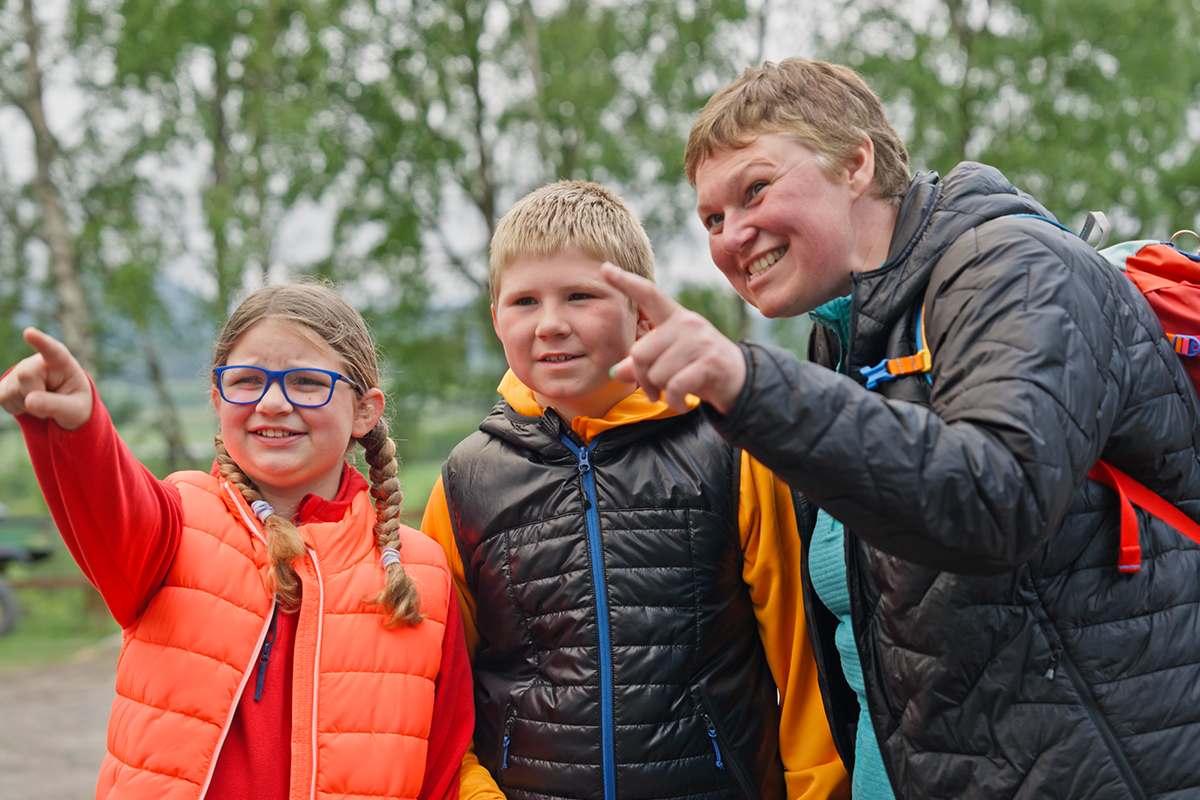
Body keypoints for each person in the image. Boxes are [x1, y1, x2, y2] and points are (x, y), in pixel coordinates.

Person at [602, 58, 1200, 800]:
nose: (731, 236)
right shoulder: (848, 331)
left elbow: (996, 499)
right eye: (712, 219)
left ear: (857, 162)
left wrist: (750, 384)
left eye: (755, 189)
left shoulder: (1019, 269)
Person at [420, 180, 849, 800]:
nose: (550, 324)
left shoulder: (727, 450)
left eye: (580, 296)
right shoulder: (466, 479)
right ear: (495, 320)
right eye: (523, 302)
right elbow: (442, 681)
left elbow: (802, 663)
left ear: (642, 312)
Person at [0, 282, 474, 800]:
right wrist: (78, 424)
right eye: (246, 381)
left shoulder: (419, 570)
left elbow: (443, 770)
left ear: (365, 410)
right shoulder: (175, 523)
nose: (271, 403)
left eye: (308, 383)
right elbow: (107, 502)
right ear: (216, 396)